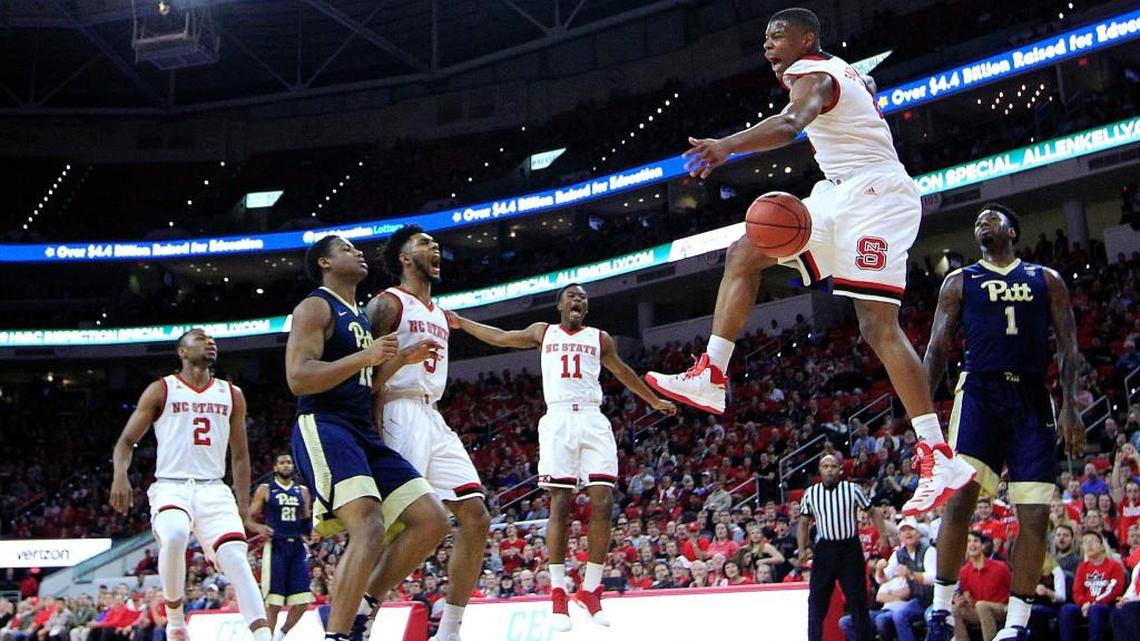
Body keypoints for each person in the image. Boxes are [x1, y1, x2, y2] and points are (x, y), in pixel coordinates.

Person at [644, 6, 975, 516]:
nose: (768, 45)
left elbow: (790, 124)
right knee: (744, 252)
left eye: (778, 35)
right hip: (840, 194)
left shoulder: (815, 74)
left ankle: (938, 454)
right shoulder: (836, 70)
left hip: (876, 196)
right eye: (764, 38)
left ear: (807, 38)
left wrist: (725, 147)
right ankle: (712, 372)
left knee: (876, 325)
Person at [448, 282, 675, 630]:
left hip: (591, 417)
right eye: (572, 296)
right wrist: (464, 324)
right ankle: (557, 591)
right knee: (561, 504)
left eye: (583, 298)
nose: (579, 300)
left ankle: (590, 589)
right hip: (557, 419)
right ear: (559, 304)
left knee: (603, 500)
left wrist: (653, 400)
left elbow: (622, 371)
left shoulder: (600, 338)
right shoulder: (543, 332)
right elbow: (501, 337)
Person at [922, 204, 1086, 641]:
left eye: (992, 218)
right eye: (978, 220)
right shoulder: (959, 281)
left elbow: (1070, 348)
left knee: (1034, 517)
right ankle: (939, 610)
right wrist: (920, 410)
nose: (982, 222)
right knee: (959, 501)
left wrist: (1070, 404)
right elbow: (938, 348)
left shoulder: (1046, 279)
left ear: (1012, 229)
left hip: (1032, 396)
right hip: (980, 392)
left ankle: (1016, 625)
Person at [286, 235, 449, 641]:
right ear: (324, 262)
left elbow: (367, 378)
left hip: (363, 431)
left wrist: (398, 360)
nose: (358, 252)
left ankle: (363, 608)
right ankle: (339, 635)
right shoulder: (315, 306)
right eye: (345, 249)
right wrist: (366, 355)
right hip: (325, 425)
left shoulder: (358, 314)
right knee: (369, 525)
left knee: (432, 521)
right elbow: (298, 377)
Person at [364, 225, 492, 641]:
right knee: (395, 525)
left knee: (476, 517)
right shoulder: (387, 303)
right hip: (397, 409)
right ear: (404, 257)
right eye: (424, 244)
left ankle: (450, 630)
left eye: (437, 244)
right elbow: (363, 376)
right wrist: (374, 432)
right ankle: (359, 612)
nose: (435, 248)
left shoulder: (439, 313)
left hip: (432, 415)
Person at [109, 328, 273, 641]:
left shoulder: (231, 394)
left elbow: (240, 457)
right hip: (172, 484)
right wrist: (120, 474)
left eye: (212, 340)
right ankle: (175, 620)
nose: (209, 342)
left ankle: (263, 636)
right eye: (199, 338)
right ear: (182, 352)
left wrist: (242, 508)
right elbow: (126, 441)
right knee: (173, 534)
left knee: (238, 559)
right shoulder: (162, 389)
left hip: (213, 487)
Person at [798, 455, 894, 641]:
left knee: (857, 599)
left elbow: (872, 512)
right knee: (816, 600)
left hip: (849, 548)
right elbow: (803, 522)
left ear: (840, 469)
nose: (829, 470)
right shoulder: (811, 493)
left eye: (833, 466)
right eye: (826, 466)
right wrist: (802, 549)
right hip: (825, 548)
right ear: (820, 469)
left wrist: (883, 535)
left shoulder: (852, 490)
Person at [249, 453, 313, 641]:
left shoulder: (302, 491)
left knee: (303, 602)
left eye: (289, 462)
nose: (286, 465)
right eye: (282, 463)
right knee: (274, 603)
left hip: (297, 547)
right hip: (276, 547)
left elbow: (305, 519)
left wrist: (313, 532)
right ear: (275, 468)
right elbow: (247, 516)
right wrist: (258, 528)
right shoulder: (265, 489)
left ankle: (280, 635)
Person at [1059, 531, 1126, 641]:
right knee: (1066, 610)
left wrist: (1092, 604)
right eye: (1085, 542)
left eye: (1092, 541)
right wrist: (1085, 603)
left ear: (1102, 546)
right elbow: (1077, 591)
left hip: (1106, 605)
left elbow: (1114, 591)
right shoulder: (1082, 567)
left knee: (1095, 610)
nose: (1089, 545)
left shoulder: (1114, 566)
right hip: (1086, 604)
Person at [951, 532, 1012, 641]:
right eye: (968, 542)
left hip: (1001, 608)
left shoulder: (1000, 567)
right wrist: (962, 601)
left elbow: (1013, 589)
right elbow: (968, 597)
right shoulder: (964, 571)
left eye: (976, 541)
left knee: (981, 606)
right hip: (978, 610)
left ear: (983, 546)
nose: (972, 544)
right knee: (955, 608)